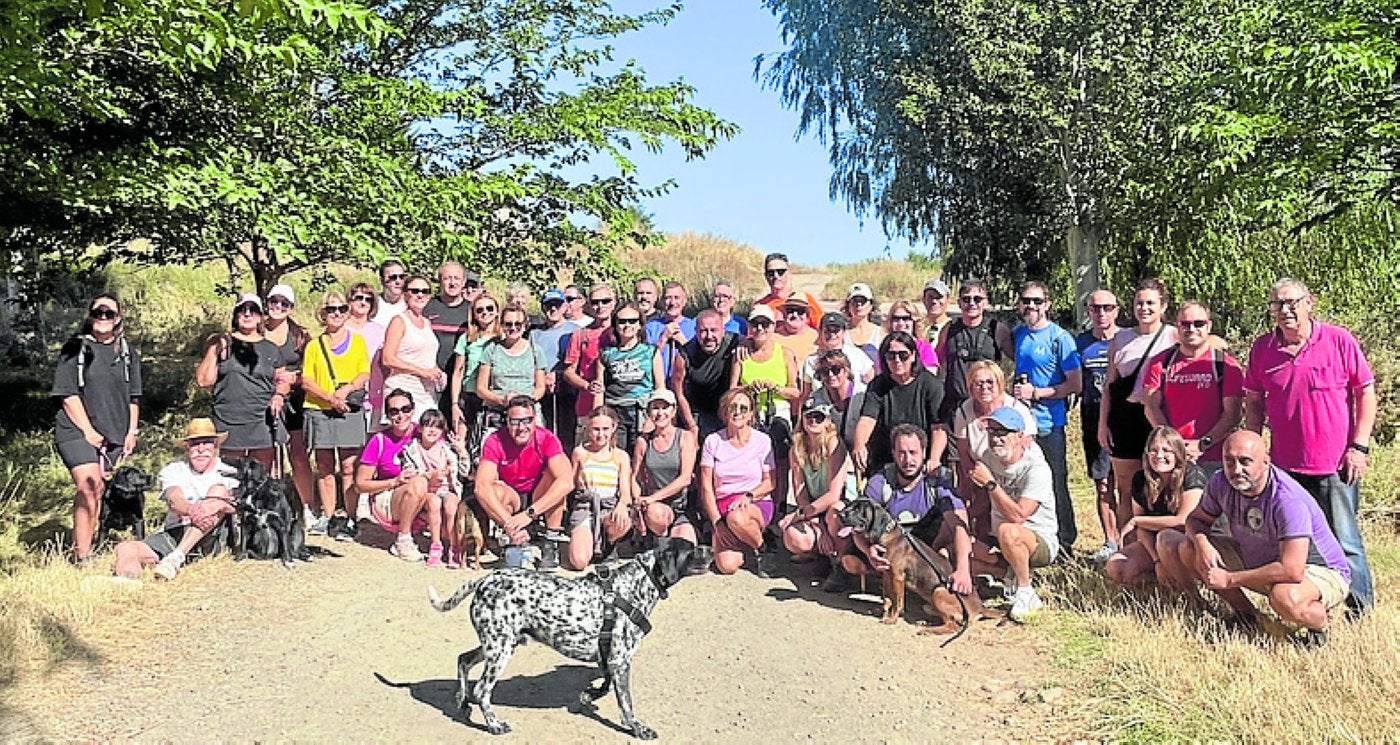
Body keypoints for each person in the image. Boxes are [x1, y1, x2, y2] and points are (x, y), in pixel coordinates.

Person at [1243, 278, 1376, 613]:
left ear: (1309, 303)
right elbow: (1255, 404)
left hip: (1334, 466)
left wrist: (1359, 447)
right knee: (1295, 540)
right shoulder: (1262, 349)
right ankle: (1309, 603)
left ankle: (1360, 608)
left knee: (1345, 542)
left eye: (1291, 302)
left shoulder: (1338, 340)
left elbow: (1366, 393)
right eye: (1276, 304)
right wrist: (1254, 449)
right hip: (1286, 468)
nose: (1284, 310)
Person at [1156, 431, 1352, 644]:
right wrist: (1203, 545)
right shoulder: (1220, 482)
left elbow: (1291, 570)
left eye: (1245, 462)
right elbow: (1195, 520)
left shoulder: (1288, 500)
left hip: (1317, 569)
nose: (1236, 470)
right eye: (1229, 461)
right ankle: (1248, 617)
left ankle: (1320, 627)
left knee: (1285, 597)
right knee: (1188, 547)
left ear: (1266, 461)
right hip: (1262, 559)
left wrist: (1229, 579)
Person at [53, 292, 142, 562]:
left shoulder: (127, 353)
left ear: (118, 319)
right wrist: (88, 432)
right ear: (90, 316)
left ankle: (91, 541)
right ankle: (81, 555)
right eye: (98, 312)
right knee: (89, 486)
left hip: (114, 433)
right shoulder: (75, 350)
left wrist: (132, 431)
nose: (103, 318)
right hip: (75, 431)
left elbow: (133, 396)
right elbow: (67, 395)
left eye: (109, 313)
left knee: (101, 490)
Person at [839, 425, 973, 599]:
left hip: (924, 547)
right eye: (901, 453)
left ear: (924, 452)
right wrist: (868, 551)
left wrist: (963, 570)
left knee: (959, 536)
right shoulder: (879, 483)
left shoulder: (938, 482)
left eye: (913, 452)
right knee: (850, 562)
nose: (908, 459)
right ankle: (886, 581)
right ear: (893, 453)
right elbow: (858, 525)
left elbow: (960, 525)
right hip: (890, 548)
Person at [112, 418, 239, 581]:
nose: (201, 449)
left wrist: (216, 505)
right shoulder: (173, 471)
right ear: (187, 447)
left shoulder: (229, 472)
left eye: (206, 443)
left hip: (212, 535)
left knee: (218, 493)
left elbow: (238, 504)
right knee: (126, 548)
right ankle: (127, 581)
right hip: (176, 531)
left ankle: (176, 557)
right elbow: (174, 499)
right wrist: (193, 510)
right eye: (195, 444)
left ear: (215, 445)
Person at [1099, 278, 1178, 536]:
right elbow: (1109, 387)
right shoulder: (1121, 338)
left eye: (1150, 303)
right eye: (1139, 303)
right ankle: (1128, 544)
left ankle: (1161, 540)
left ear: (1163, 306)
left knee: (1163, 480)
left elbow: (1206, 344)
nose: (1144, 308)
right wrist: (1103, 424)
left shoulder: (1173, 335)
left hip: (1157, 415)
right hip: (1124, 418)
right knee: (1126, 486)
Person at [966, 407, 1059, 621]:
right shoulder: (988, 458)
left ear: (1019, 436)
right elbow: (983, 501)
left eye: (1002, 433)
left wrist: (991, 484)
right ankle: (1009, 576)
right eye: (991, 432)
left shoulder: (1037, 469)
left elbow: (1019, 516)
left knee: (1009, 530)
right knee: (958, 551)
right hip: (1000, 538)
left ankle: (1026, 592)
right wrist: (963, 520)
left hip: (1037, 539)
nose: (996, 438)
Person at [1010, 281, 1082, 554]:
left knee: (1055, 481)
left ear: (1048, 304)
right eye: (1026, 301)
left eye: (1037, 301)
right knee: (1023, 482)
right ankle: (1032, 540)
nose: (1031, 306)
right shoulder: (1019, 334)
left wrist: (1037, 392)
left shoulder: (1060, 338)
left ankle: (1065, 540)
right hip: (1022, 425)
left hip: (1049, 423)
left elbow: (1075, 384)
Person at [1143, 300, 1244, 479]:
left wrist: (1202, 444)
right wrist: (1173, 443)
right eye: (1185, 324)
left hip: (1213, 456)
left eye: (1198, 323)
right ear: (1177, 327)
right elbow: (1151, 407)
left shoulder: (1225, 365)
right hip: (1171, 456)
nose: (1192, 329)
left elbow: (1233, 414)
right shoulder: (1160, 363)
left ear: (1209, 325)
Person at [474, 395, 575, 570]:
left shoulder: (547, 439)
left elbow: (567, 481)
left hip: (537, 494)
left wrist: (528, 514)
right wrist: (510, 523)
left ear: (535, 420)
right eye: (515, 422)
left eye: (527, 421)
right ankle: (513, 541)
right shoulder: (494, 440)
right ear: (507, 421)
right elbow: (481, 486)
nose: (521, 428)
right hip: (511, 496)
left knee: (556, 481)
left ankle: (551, 542)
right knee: (493, 490)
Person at [300, 291, 370, 539]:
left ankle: (351, 518)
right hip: (320, 409)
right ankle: (328, 516)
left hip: (348, 409)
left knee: (350, 465)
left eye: (341, 308)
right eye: (331, 309)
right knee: (324, 465)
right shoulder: (313, 346)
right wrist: (330, 398)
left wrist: (346, 391)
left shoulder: (358, 342)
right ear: (323, 314)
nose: (337, 313)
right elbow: (306, 380)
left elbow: (364, 373)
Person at [195, 294, 289, 469]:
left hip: (262, 419)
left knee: (261, 477)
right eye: (242, 310)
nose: (247, 314)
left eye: (253, 310)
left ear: (260, 317)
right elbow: (203, 381)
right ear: (236, 315)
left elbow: (282, 380)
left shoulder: (271, 348)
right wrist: (215, 349)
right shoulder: (224, 344)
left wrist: (278, 395)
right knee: (229, 475)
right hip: (228, 418)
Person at [1104, 426, 1206, 586]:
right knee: (1116, 566)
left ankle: (1189, 587)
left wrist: (1136, 521)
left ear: (1178, 454)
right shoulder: (1140, 479)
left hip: (1187, 542)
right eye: (1153, 450)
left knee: (1165, 537)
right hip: (1155, 543)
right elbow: (1143, 529)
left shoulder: (1192, 475)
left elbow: (1182, 521)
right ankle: (1159, 581)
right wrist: (1157, 560)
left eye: (1167, 450)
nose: (1159, 456)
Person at [951, 361, 1036, 542]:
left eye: (990, 382)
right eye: (978, 383)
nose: (985, 388)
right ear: (970, 387)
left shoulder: (1017, 409)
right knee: (978, 512)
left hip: (1011, 475)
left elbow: (1027, 450)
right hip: (979, 471)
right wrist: (973, 477)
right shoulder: (964, 412)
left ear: (1000, 383)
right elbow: (963, 452)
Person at [731, 304, 801, 520]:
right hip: (750, 413)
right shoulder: (741, 354)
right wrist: (748, 389)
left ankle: (779, 507)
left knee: (780, 461)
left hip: (777, 411)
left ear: (773, 327)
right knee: (754, 462)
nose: (760, 328)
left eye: (765, 324)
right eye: (755, 324)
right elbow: (732, 389)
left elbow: (795, 390)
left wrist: (775, 388)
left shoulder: (784, 353)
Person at [699, 388, 777, 575]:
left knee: (737, 518)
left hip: (755, 501)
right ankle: (745, 540)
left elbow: (770, 482)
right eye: (732, 407)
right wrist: (717, 522)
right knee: (727, 566)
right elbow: (706, 487)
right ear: (724, 412)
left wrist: (748, 496)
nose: (737, 412)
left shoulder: (762, 441)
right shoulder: (712, 441)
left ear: (751, 414)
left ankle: (762, 547)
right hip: (723, 504)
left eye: (744, 408)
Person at [852, 331, 946, 478]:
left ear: (914, 355)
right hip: (885, 458)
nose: (897, 360)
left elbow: (939, 427)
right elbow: (867, 419)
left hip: (922, 461)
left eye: (903, 355)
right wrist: (859, 445)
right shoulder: (877, 385)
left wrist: (934, 459)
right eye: (891, 356)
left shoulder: (931, 384)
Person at [353, 390, 433, 562]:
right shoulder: (379, 440)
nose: (400, 415)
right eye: (394, 411)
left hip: (425, 494)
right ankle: (403, 539)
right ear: (387, 415)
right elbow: (360, 484)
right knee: (418, 483)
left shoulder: (425, 434)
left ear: (413, 410)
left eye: (405, 409)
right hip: (389, 497)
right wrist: (394, 481)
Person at [779, 398, 853, 572]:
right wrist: (817, 526)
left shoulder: (833, 444)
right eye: (809, 416)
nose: (813, 421)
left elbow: (834, 495)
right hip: (815, 508)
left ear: (827, 421)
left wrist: (801, 515)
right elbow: (800, 493)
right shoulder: (796, 448)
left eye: (819, 417)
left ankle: (840, 565)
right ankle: (821, 555)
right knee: (793, 537)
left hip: (841, 504)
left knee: (834, 514)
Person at [261, 283, 314, 526]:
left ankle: (307, 508)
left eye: (284, 303)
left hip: (295, 401)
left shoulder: (300, 336)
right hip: (262, 396)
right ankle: (271, 505)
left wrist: (296, 377)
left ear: (291, 307)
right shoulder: (256, 330)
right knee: (269, 453)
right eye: (274, 302)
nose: (278, 307)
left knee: (298, 454)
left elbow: (313, 369)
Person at [1077, 289, 1121, 563]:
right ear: (1088, 311)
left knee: (1131, 484)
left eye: (1107, 308)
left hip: (1127, 418)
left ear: (1117, 310)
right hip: (1093, 417)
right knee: (1103, 484)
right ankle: (1110, 541)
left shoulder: (1129, 339)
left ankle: (1132, 540)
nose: (1101, 313)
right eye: (1095, 308)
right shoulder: (1079, 343)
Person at [566, 407, 635, 569]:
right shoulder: (580, 453)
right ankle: (589, 540)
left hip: (609, 506)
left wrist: (622, 506)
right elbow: (571, 484)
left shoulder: (621, 456)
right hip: (586, 507)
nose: (600, 434)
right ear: (588, 429)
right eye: (596, 429)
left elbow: (626, 492)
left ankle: (609, 545)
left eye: (605, 429)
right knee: (579, 561)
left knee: (622, 520)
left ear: (613, 428)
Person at [936, 279, 1012, 424]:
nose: (972, 303)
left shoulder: (997, 329)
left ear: (985, 302)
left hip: (988, 406)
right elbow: (938, 363)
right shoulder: (949, 329)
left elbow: (1018, 361)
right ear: (959, 303)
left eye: (977, 299)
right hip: (955, 406)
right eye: (966, 299)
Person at [632, 390, 698, 545]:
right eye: (655, 408)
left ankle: (660, 540)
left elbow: (685, 478)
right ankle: (657, 538)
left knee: (687, 551)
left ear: (673, 411)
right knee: (655, 514)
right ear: (649, 412)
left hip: (679, 505)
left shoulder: (685, 437)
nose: (660, 413)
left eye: (665, 407)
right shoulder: (643, 441)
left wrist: (651, 498)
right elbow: (636, 476)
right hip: (654, 508)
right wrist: (638, 502)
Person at [599, 302, 664, 455]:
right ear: (615, 325)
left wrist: (653, 417)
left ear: (640, 324)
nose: (627, 325)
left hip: (641, 410)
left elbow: (660, 388)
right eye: (622, 321)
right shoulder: (606, 354)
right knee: (617, 456)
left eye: (632, 321)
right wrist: (600, 418)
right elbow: (599, 389)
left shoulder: (651, 352)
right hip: (615, 411)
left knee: (641, 456)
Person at [400, 409, 460, 567]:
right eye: (428, 426)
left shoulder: (447, 449)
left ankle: (454, 547)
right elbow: (410, 472)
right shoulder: (411, 450)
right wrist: (429, 474)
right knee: (434, 502)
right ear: (420, 428)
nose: (433, 430)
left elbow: (464, 471)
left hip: (447, 488)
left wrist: (460, 452)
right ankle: (436, 545)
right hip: (427, 491)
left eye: (438, 427)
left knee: (451, 504)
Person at [475, 305, 547, 435]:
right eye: (508, 324)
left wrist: (524, 401)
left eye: (518, 324)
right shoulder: (491, 349)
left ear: (525, 325)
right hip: (497, 412)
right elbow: (481, 388)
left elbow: (540, 388)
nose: (513, 328)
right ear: (502, 325)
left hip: (528, 413)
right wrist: (501, 400)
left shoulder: (536, 350)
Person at [382, 275, 444, 419]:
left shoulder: (427, 323)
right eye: (415, 291)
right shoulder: (399, 321)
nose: (420, 295)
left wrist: (438, 372)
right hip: (403, 392)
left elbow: (424, 356)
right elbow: (387, 358)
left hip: (426, 393)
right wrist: (421, 371)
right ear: (405, 294)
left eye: (425, 291)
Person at [672, 308, 739, 441]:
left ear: (723, 330)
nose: (709, 336)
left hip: (728, 409)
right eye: (703, 331)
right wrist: (691, 426)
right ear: (696, 332)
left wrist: (745, 345)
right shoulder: (684, 355)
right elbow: (678, 393)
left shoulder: (735, 343)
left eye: (714, 330)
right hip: (698, 411)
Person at [451, 292, 503, 460]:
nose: (485, 313)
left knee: (487, 444)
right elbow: (458, 372)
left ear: (497, 311)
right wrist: (454, 403)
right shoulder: (467, 338)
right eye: (480, 310)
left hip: (493, 397)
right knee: (461, 442)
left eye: (489, 308)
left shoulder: (503, 337)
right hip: (470, 395)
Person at [562, 284, 617, 443]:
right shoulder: (580, 334)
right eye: (595, 302)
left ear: (614, 303)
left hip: (618, 401)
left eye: (605, 301)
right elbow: (568, 372)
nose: (600, 306)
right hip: (587, 404)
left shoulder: (625, 330)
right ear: (589, 305)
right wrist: (587, 385)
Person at [424, 261, 474, 421]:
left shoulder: (473, 311)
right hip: (431, 379)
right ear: (439, 281)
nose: (452, 283)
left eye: (456, 278)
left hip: (461, 382)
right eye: (447, 278)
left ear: (464, 282)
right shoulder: (427, 307)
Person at [532, 288, 580, 445]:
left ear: (565, 307)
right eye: (548, 305)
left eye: (557, 305)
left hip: (568, 389)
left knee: (566, 433)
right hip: (542, 389)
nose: (553, 309)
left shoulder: (575, 330)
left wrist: (558, 375)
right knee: (545, 432)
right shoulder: (534, 334)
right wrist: (542, 377)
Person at [806, 349, 868, 453]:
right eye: (825, 371)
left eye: (836, 370)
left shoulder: (863, 394)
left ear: (846, 371)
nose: (830, 375)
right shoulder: (816, 399)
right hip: (830, 451)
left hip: (863, 449)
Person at [799, 312, 875, 396]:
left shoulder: (857, 354)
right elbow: (806, 392)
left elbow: (871, 380)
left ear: (844, 332)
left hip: (853, 403)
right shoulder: (811, 360)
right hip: (823, 405)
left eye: (836, 330)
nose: (832, 335)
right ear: (820, 332)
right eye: (827, 331)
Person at [345, 281, 387, 432]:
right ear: (349, 300)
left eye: (368, 299)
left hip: (373, 391)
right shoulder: (340, 328)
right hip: (345, 389)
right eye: (358, 298)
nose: (363, 302)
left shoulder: (380, 330)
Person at [755, 252, 823, 327]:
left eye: (780, 272)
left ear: (789, 273)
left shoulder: (805, 300)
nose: (776, 276)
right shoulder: (760, 306)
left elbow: (822, 329)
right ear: (765, 276)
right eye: (771, 273)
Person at [644, 281, 695, 379]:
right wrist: (663, 339)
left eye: (676, 298)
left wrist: (684, 343)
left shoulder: (694, 327)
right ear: (662, 301)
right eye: (668, 298)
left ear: (684, 301)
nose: (672, 303)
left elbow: (700, 360)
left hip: (686, 384)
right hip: (659, 385)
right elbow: (645, 361)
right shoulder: (650, 327)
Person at [881, 300, 938, 371]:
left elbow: (931, 375)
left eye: (906, 318)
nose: (901, 323)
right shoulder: (885, 347)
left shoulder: (924, 348)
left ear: (914, 322)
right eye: (896, 319)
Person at [842, 283, 883, 364]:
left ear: (871, 305)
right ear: (848, 306)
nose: (858, 305)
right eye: (854, 301)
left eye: (863, 301)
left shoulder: (880, 333)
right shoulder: (841, 334)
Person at [775, 292, 819, 362]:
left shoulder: (816, 338)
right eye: (790, 310)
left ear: (807, 316)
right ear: (784, 314)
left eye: (800, 311)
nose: (795, 315)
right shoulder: (773, 337)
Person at [371, 258, 408, 326]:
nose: (398, 281)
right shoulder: (372, 303)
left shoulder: (411, 304)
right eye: (393, 277)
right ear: (382, 280)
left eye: (402, 277)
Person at [920, 278, 953, 350]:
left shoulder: (954, 328)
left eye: (939, 297)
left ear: (948, 300)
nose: (934, 301)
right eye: (930, 297)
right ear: (923, 300)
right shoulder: (917, 327)